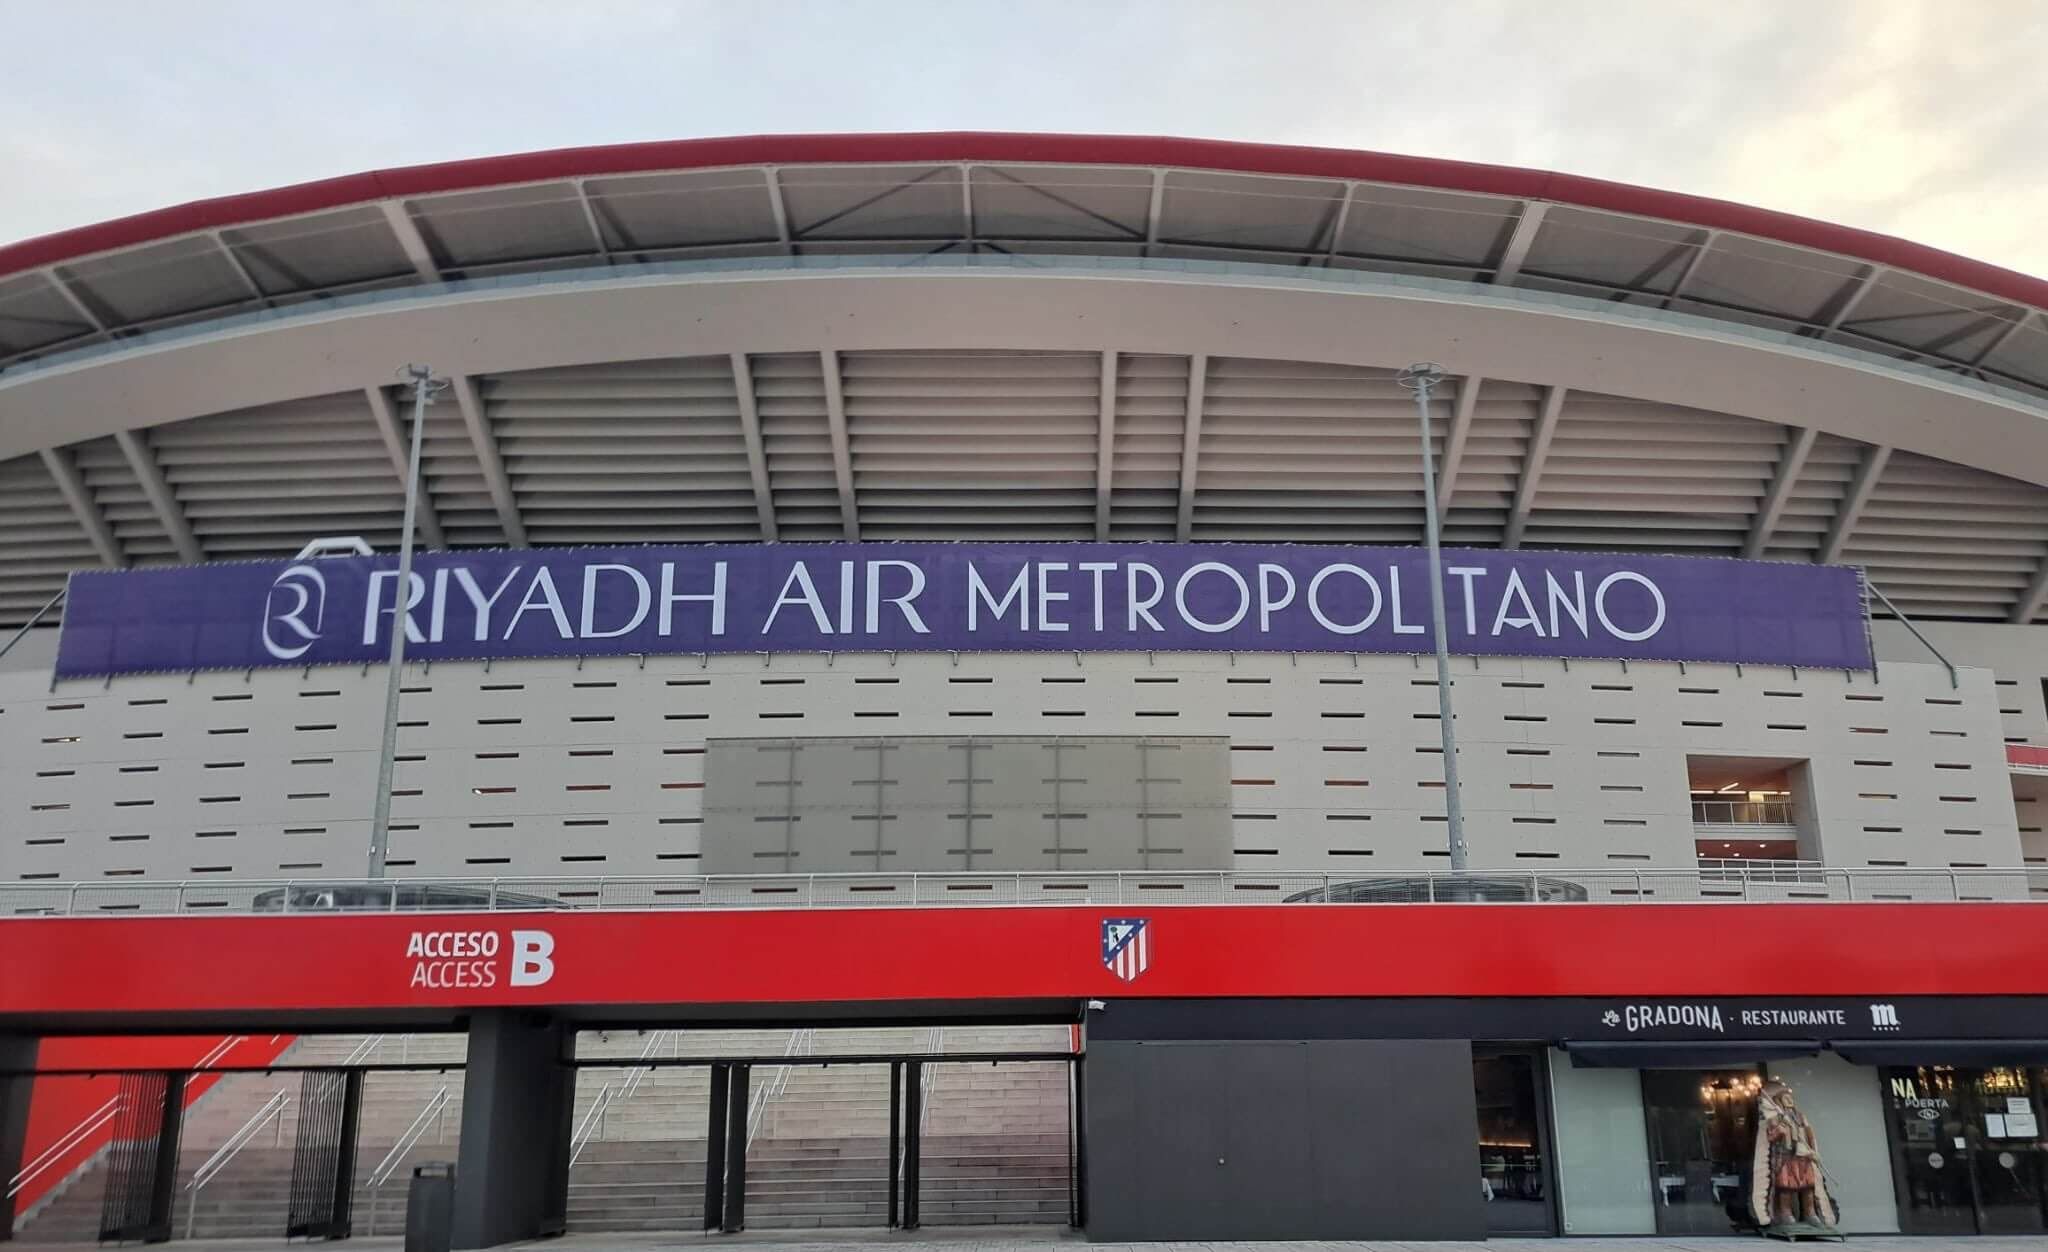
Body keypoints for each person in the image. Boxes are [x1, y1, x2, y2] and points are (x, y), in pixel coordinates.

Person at [1750, 1078, 1838, 1231]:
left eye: (1790, 1097)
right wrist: (1782, 1128)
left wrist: (1814, 1151)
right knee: (1786, 1187)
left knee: (1808, 1187)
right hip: (1785, 1157)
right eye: (1785, 1098)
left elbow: (1809, 1134)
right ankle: (1785, 1213)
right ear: (1778, 1100)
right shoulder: (1775, 1118)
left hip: (1804, 1157)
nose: (1789, 1100)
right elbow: (1771, 1137)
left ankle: (1810, 1213)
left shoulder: (1800, 1116)